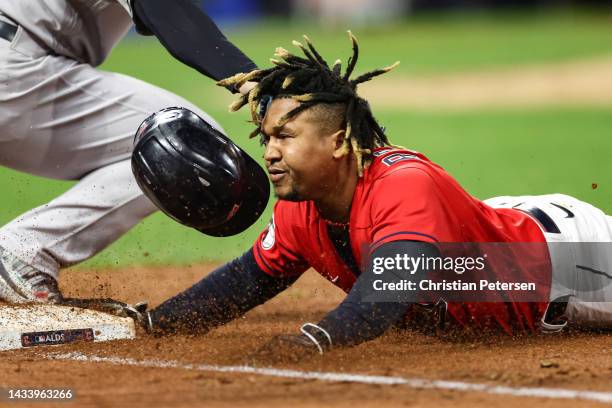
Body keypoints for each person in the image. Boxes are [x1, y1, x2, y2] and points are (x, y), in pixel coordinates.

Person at [135, 33, 612, 360]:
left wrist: (316, 341)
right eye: (266, 140)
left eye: (286, 136)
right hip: (488, 238)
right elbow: (246, 280)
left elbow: (387, 289)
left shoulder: (403, 185)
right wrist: (157, 323)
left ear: (339, 141)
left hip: (570, 258)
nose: (271, 153)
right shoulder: (300, 210)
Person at [0, 0, 258, 304]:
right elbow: (166, 11)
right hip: (16, 72)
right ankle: (26, 249)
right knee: (189, 139)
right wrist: (252, 79)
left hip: (20, 66)